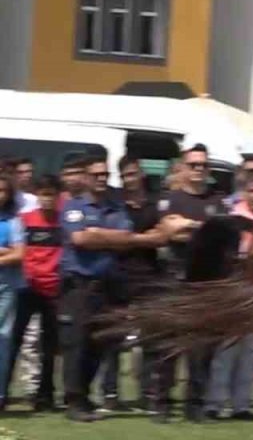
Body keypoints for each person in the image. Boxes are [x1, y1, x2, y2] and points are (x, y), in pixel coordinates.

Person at [59, 156, 192, 422]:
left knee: (100, 343)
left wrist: (103, 235)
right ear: (85, 177)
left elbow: (126, 240)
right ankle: (74, 401)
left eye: (104, 175)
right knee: (79, 344)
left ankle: (84, 398)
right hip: (80, 284)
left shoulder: (114, 207)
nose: (100, 179)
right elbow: (81, 238)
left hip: (107, 284)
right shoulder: (74, 206)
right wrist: (108, 237)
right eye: (95, 174)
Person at [157, 144, 227, 423]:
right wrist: (202, 228)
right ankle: (161, 403)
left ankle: (195, 405)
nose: (198, 170)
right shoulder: (170, 199)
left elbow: (220, 236)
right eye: (193, 165)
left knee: (202, 349)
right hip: (175, 280)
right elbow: (168, 232)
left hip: (205, 284)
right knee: (169, 345)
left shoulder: (217, 201)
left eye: (203, 165)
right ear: (183, 168)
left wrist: (187, 226)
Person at [206, 171, 253, 421]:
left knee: (252, 350)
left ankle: (241, 405)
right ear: (245, 192)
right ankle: (215, 402)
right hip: (233, 284)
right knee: (227, 347)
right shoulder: (232, 216)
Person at [110, 155, 172, 418]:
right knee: (112, 337)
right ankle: (109, 394)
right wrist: (141, 238)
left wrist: (128, 239)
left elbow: (163, 236)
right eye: (124, 175)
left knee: (152, 340)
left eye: (133, 174)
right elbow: (111, 238)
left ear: (141, 175)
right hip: (119, 275)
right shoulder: (115, 204)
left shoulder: (155, 204)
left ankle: (151, 395)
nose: (129, 179)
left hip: (149, 277)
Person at [10, 176, 60, 412]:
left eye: (51, 194)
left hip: (54, 291)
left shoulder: (64, 222)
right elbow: (17, 249)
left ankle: (45, 396)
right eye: (43, 194)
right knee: (13, 342)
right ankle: (4, 391)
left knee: (49, 348)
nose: (47, 199)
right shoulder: (25, 220)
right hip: (27, 288)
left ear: (57, 195)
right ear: (37, 196)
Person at [0, 175, 24, 411]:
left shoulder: (13, 221)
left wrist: (8, 253)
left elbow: (19, 254)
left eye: (2, 191)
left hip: (5, 287)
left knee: (2, 340)